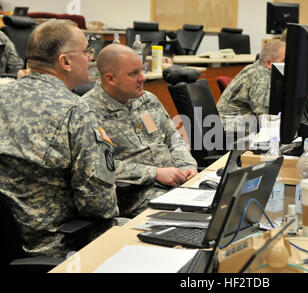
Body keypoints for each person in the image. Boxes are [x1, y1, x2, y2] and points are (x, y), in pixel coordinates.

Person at [0, 20, 119, 258]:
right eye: (86, 50)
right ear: (65, 61)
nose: (91, 57)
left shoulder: (3, 96)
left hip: (11, 242)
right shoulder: (76, 111)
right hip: (56, 245)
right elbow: (99, 205)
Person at [83, 44, 198, 218]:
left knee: (221, 200)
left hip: (177, 182)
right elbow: (96, 166)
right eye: (133, 73)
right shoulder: (87, 111)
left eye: (142, 70)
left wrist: (187, 166)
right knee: (189, 216)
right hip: (137, 194)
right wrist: (155, 173)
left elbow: (173, 138)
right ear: (110, 79)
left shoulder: (147, 99)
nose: (142, 78)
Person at [216, 40, 286, 133]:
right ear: (269, 63)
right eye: (284, 61)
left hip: (232, 122)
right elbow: (263, 115)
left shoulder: (257, 67)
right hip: (230, 126)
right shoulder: (261, 76)